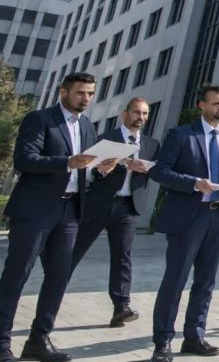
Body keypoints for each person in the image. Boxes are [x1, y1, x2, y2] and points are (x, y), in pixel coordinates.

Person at [0, 72, 114, 362]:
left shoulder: (88, 127)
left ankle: (38, 341)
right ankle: (1, 344)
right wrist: (67, 162)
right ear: (63, 92)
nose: (86, 98)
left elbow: (84, 168)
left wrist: (99, 169)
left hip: (70, 212)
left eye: (90, 93)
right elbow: (24, 160)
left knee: (59, 277)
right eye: (80, 93)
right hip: (35, 211)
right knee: (16, 277)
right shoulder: (40, 120)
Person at [148, 84, 219, 361]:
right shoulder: (181, 135)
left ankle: (194, 336)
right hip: (188, 219)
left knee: (206, 282)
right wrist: (194, 184)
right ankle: (163, 341)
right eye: (217, 103)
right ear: (202, 105)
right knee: (175, 281)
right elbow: (160, 172)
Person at [69, 96, 161, 327]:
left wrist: (146, 170)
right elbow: (88, 173)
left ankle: (121, 307)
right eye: (137, 112)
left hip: (128, 208)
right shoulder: (105, 139)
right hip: (99, 203)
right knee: (74, 251)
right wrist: (102, 170)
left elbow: (157, 173)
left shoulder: (151, 144)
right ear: (125, 113)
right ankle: (54, 290)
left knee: (122, 257)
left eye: (145, 114)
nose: (141, 118)